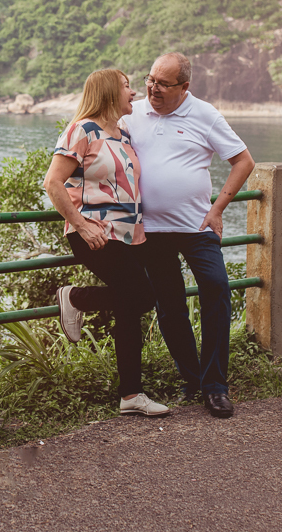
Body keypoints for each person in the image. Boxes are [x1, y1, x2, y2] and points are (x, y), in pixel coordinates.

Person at [125, 53, 255, 419]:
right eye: (150, 79)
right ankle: (194, 378)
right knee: (170, 307)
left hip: (196, 228)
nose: (153, 88)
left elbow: (243, 161)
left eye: (163, 84)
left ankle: (215, 387)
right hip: (150, 231)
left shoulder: (205, 114)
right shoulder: (132, 112)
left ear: (184, 88)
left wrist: (217, 210)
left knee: (216, 290)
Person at [42, 69, 169, 417]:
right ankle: (75, 296)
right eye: (128, 86)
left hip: (131, 235)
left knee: (130, 307)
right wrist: (81, 225)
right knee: (142, 295)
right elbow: (53, 183)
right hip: (96, 235)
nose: (134, 92)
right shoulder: (81, 130)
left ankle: (131, 395)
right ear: (110, 92)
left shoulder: (124, 132)